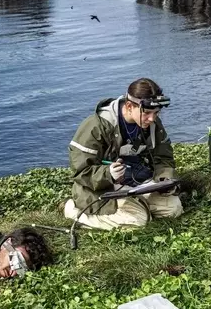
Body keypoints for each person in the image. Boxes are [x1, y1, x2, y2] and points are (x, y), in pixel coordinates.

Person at [63, 78, 183, 230]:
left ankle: (138, 205)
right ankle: (72, 211)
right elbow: (80, 171)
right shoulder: (96, 126)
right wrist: (108, 174)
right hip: (104, 188)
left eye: (156, 113)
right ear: (129, 106)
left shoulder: (152, 124)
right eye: (147, 113)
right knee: (137, 222)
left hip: (140, 183)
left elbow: (163, 157)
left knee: (173, 209)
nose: (152, 119)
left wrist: (163, 179)